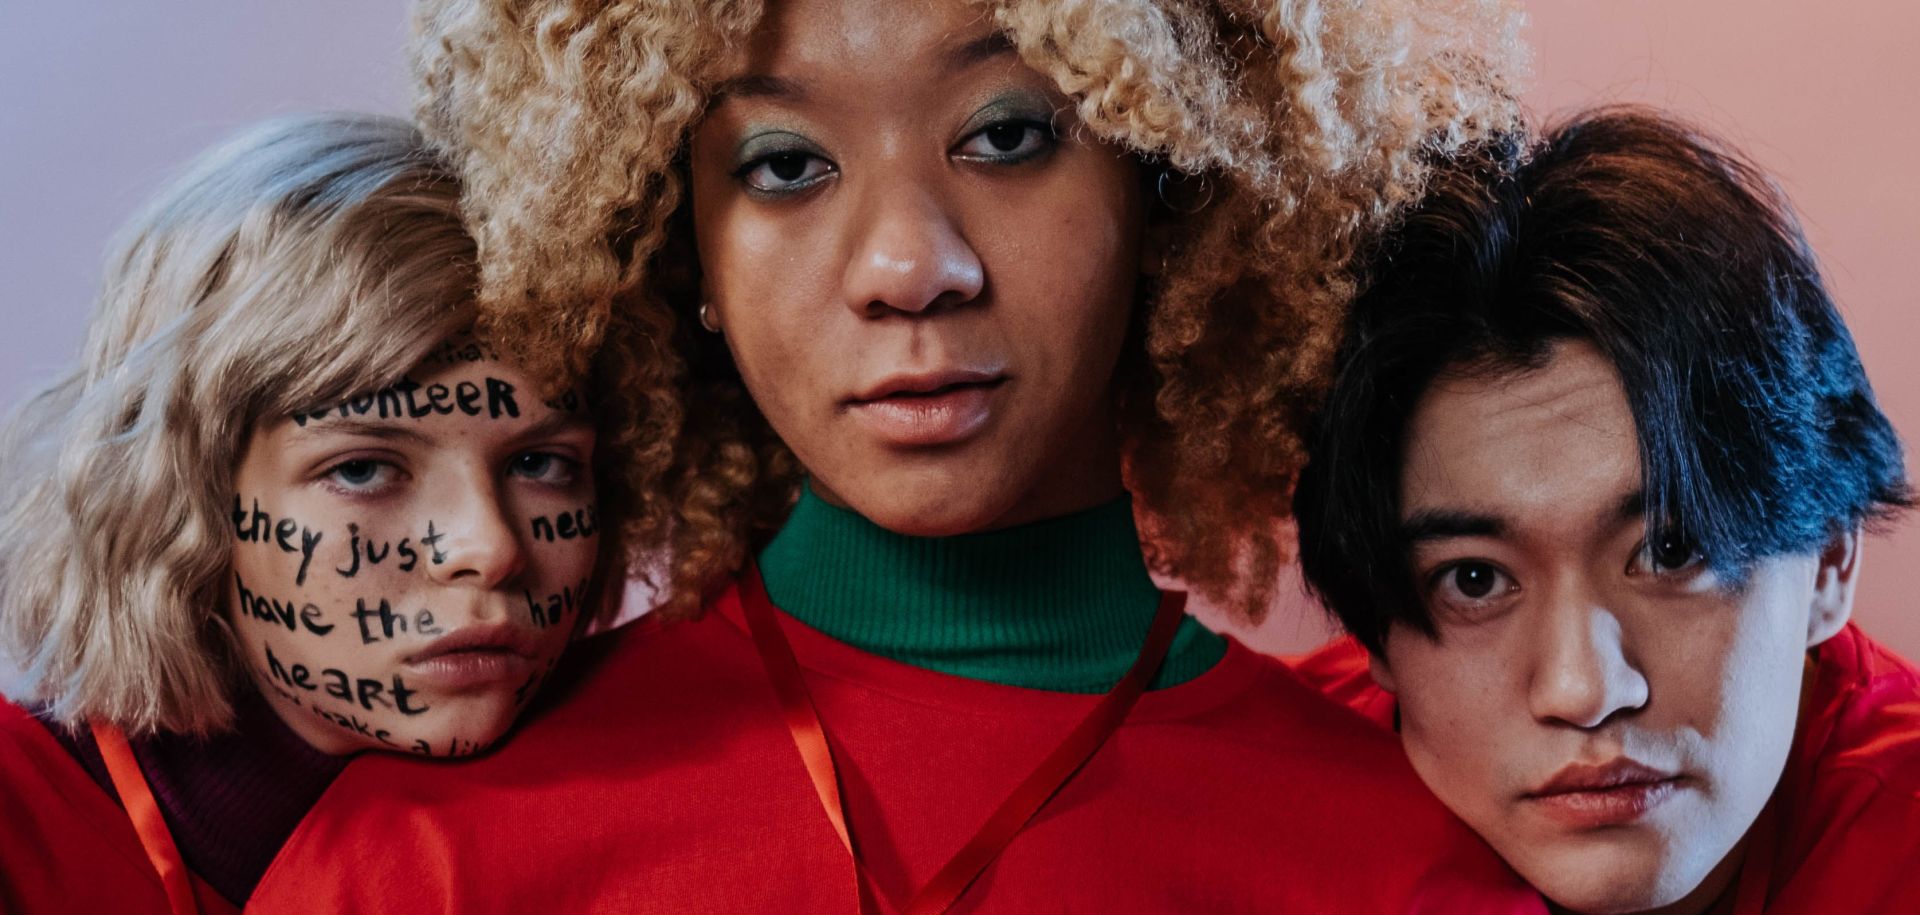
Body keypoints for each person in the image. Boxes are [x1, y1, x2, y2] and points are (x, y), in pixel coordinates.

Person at [247, 0, 1543, 911]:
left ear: (1172, 178)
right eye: (787, 163)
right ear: (674, 237)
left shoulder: (1398, 873)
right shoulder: (426, 867)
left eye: (1007, 135)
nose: (908, 265)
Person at [0, 112, 650, 913]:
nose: (487, 547)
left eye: (541, 464)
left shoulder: (663, 774)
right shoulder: (20, 825)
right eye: (366, 467)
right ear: (177, 493)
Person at [1290, 107, 1918, 914]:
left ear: (1829, 557)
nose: (1583, 689)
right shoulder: (1251, 804)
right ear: (1372, 628)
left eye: (1670, 549)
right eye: (1475, 579)